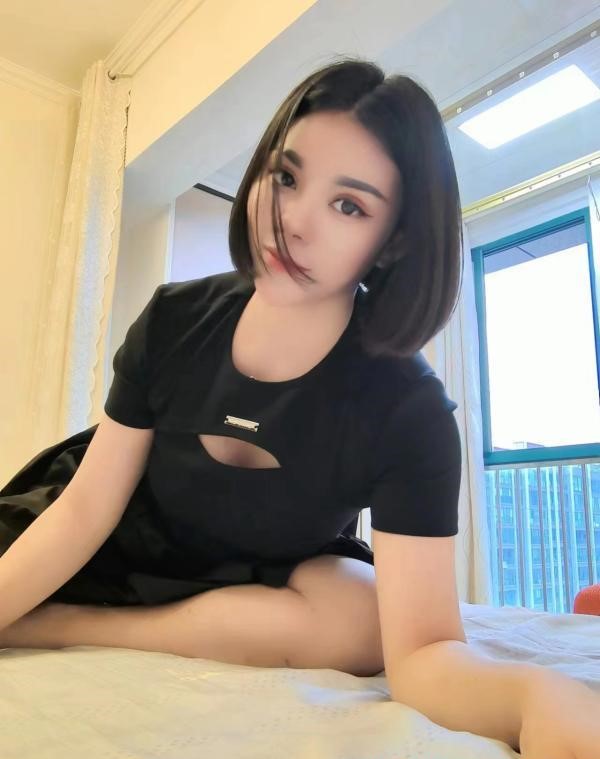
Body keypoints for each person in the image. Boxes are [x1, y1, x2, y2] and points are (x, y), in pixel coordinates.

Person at [1, 57, 599, 756]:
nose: (292, 221)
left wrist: (537, 697)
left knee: (366, 619)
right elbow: (82, 512)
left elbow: (425, 650)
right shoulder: (174, 320)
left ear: (394, 241)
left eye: (349, 206)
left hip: (260, 569)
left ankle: (59, 625)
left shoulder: (409, 413)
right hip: (112, 537)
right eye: (286, 177)